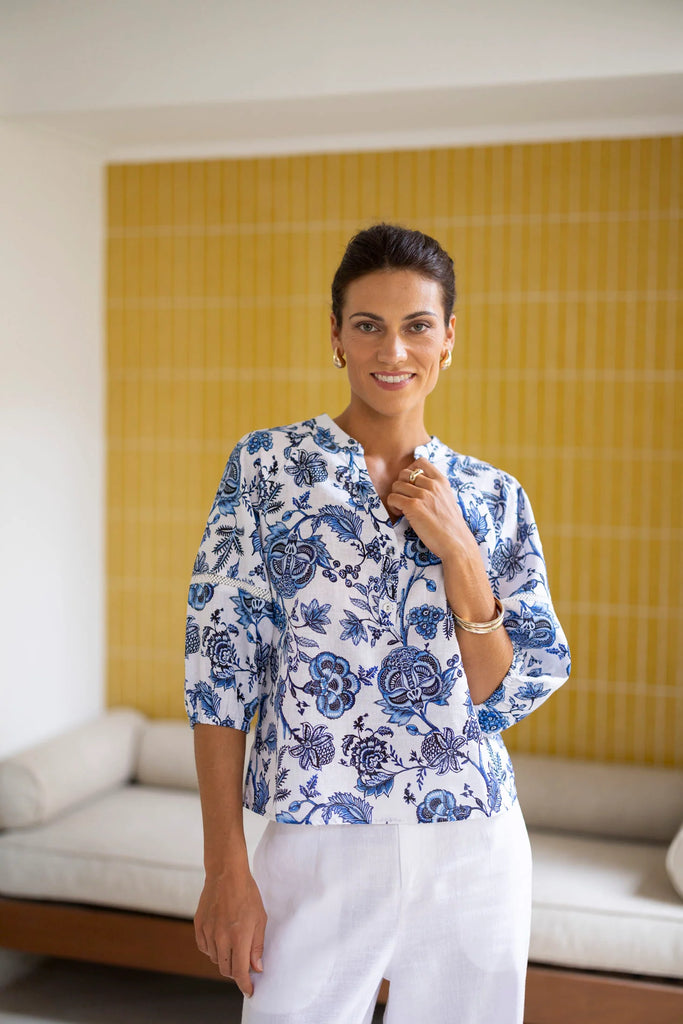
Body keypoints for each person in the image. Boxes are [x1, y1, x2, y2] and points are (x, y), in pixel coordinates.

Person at [184, 222, 571, 1024]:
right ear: (336, 335)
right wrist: (224, 869)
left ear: (448, 337)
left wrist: (458, 549)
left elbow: (499, 693)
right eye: (368, 325)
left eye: (416, 325)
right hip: (314, 838)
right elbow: (218, 677)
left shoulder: (493, 496)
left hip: (471, 844)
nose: (393, 350)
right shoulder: (265, 469)